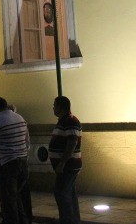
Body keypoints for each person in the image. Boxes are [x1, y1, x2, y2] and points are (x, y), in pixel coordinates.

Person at [0, 97, 30, 224]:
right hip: (23, 163)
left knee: (8, 201)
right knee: (16, 198)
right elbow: (26, 140)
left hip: (7, 164)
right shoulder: (19, 117)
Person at [48, 96, 82, 224]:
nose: (53, 108)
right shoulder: (64, 120)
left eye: (54, 105)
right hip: (68, 165)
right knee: (69, 194)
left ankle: (68, 221)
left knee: (61, 194)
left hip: (68, 165)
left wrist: (62, 163)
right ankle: (73, 220)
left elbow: (72, 142)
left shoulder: (70, 121)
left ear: (60, 107)